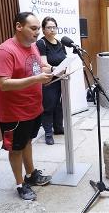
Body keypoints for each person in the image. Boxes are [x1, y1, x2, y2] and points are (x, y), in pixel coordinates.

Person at [0, 12, 53, 201]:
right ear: (19, 26)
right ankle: (20, 184)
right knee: (16, 148)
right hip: (14, 113)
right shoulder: (5, 51)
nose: (37, 33)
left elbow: (36, 68)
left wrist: (48, 71)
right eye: (33, 28)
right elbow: (3, 83)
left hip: (33, 108)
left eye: (37, 29)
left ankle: (31, 174)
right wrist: (36, 78)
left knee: (27, 141)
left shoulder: (33, 46)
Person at [36, 17, 67, 145]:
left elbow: (64, 60)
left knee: (59, 105)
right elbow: (43, 65)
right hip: (49, 80)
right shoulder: (41, 43)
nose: (52, 29)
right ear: (43, 29)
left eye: (54, 27)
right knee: (48, 106)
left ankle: (58, 128)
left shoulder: (60, 43)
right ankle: (48, 133)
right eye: (49, 27)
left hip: (61, 79)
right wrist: (54, 69)